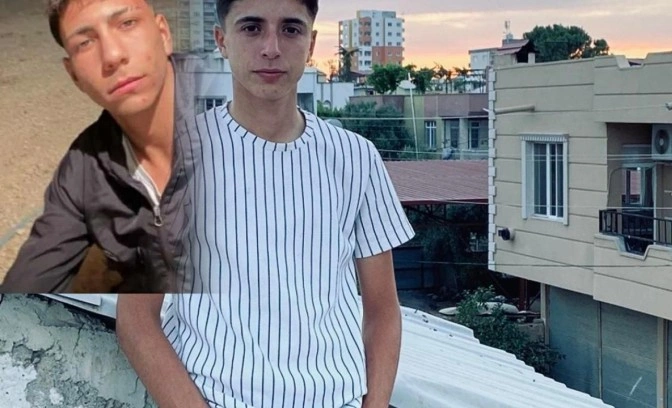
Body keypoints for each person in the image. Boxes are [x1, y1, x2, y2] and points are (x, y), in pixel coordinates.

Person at [116, 0, 415, 407]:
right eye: (252, 28)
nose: (271, 48)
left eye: (290, 29)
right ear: (222, 40)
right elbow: (136, 319)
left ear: (311, 44)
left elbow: (382, 311)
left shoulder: (355, 158)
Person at [0, 0, 200, 293]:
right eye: (85, 43)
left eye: (127, 24)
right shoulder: (85, 169)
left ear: (163, 34)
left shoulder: (251, 112)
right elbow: (21, 298)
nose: (112, 56)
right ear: (74, 75)